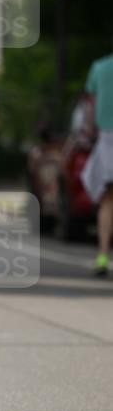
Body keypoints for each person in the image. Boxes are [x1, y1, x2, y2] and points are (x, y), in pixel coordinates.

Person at [81, 52, 113, 277]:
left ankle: (103, 255)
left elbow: (90, 107)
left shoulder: (99, 68)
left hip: (107, 139)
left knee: (108, 200)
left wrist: (88, 133)